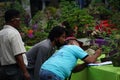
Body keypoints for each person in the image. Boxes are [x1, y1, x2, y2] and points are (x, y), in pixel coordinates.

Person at [0, 9, 30, 80]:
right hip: (14, 70)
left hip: (2, 70)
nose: (20, 21)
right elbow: (18, 55)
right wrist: (25, 72)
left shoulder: (1, 33)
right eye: (19, 19)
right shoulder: (14, 33)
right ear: (13, 19)